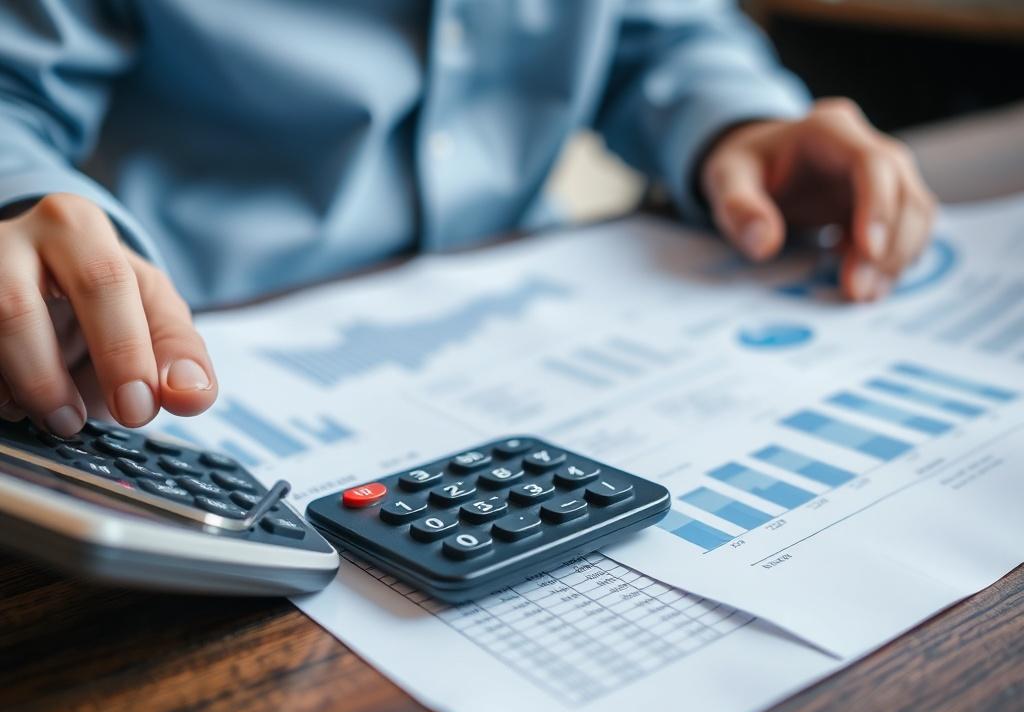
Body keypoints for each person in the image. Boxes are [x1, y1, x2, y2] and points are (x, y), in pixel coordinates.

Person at [0, 1, 935, 437]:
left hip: (536, 335)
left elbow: (665, 31)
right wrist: (17, 197)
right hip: (166, 372)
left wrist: (741, 121)